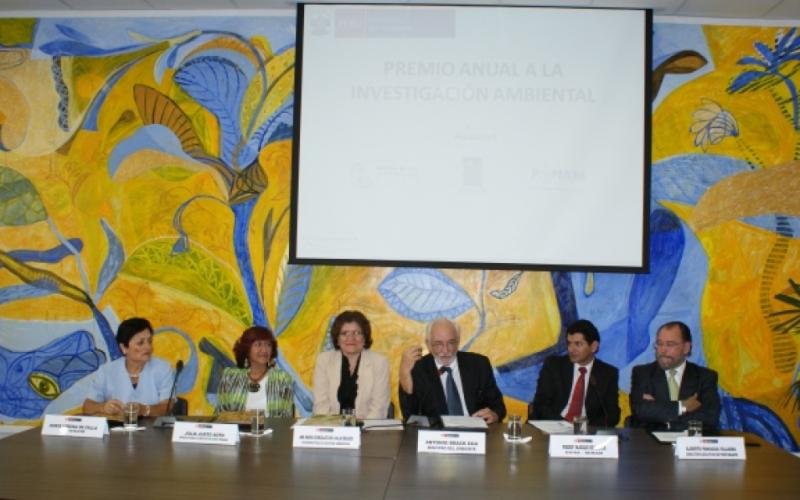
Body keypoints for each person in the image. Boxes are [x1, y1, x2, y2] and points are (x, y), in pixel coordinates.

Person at [399, 318, 506, 424]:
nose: (445, 350)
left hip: (475, 430)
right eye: (438, 344)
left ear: (458, 341)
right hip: (437, 432)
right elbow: (411, 417)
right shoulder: (419, 369)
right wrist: (404, 375)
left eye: (451, 343)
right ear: (428, 344)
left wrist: (495, 414)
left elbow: (498, 407)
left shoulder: (478, 365)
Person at [630, 321, 720, 431]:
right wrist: (683, 407)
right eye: (659, 344)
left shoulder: (705, 377)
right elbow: (641, 411)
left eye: (670, 344)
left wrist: (663, 416)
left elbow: (710, 417)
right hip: (650, 440)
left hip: (689, 440)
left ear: (686, 347)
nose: (663, 350)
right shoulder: (642, 373)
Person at [530, 319, 620, 427]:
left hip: (586, 430)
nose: (571, 349)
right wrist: (564, 426)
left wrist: (583, 427)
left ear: (593, 346)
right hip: (553, 426)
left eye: (578, 344)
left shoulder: (608, 374)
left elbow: (612, 414)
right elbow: (541, 404)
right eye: (569, 343)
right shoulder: (554, 366)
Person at [83, 317, 174, 417]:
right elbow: (88, 406)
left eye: (149, 341)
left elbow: (167, 407)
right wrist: (104, 407)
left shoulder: (163, 369)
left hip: (153, 426)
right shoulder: (107, 371)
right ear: (124, 347)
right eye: (140, 343)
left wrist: (144, 410)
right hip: (116, 426)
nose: (148, 347)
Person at [313, 310, 390, 419]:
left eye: (356, 333)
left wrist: (362, 427)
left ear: (364, 337)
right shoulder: (324, 360)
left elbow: (379, 408)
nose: (350, 338)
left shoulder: (379, 362)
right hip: (331, 427)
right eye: (344, 333)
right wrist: (332, 427)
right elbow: (321, 405)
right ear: (337, 338)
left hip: (367, 426)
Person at [215, 326, 294, 416]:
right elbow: (221, 414)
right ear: (247, 349)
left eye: (268, 345)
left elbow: (286, 417)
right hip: (235, 426)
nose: (264, 350)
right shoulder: (230, 378)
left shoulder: (282, 380)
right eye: (258, 344)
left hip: (272, 426)